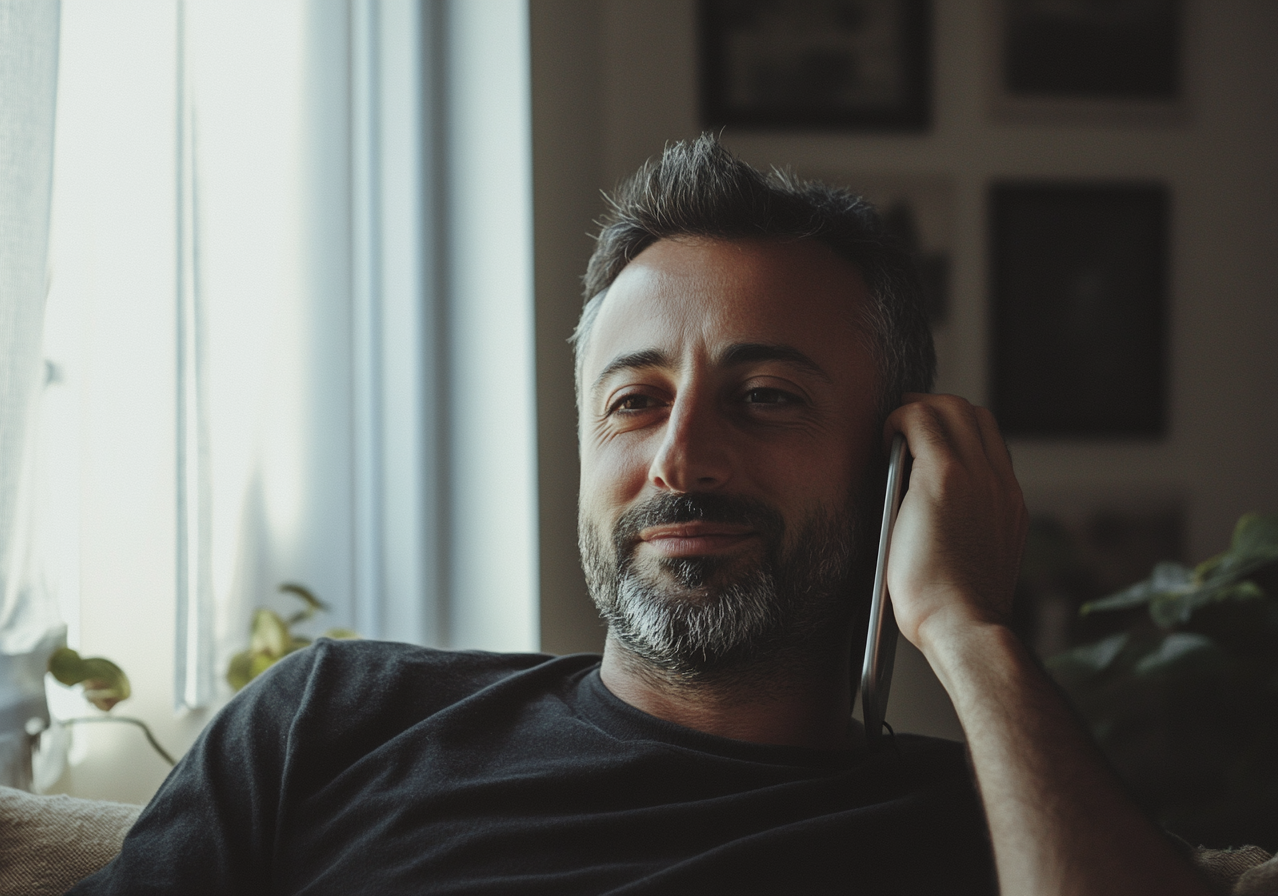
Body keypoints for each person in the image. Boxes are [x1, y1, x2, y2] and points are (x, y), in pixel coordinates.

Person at [67, 136, 1208, 895]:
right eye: (636, 400)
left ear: (898, 467)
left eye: (766, 398)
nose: (681, 457)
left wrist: (969, 628)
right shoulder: (330, 724)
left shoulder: (993, 832)